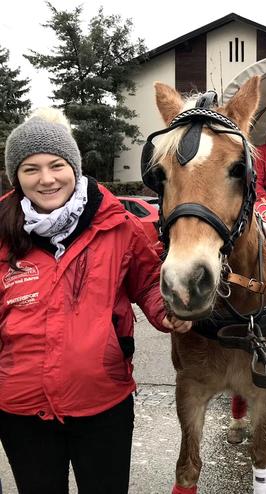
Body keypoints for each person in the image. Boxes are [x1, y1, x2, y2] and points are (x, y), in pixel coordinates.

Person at [0, 108, 191, 494]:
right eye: (30, 169)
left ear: (74, 166)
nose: (47, 179)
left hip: (102, 402)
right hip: (21, 408)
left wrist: (168, 310)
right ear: (17, 178)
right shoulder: (3, 232)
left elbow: (150, 282)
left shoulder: (117, 224)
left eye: (56, 165)